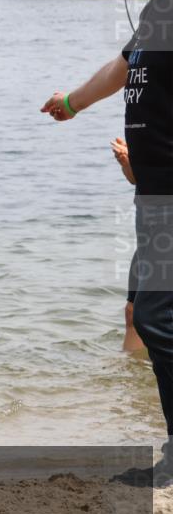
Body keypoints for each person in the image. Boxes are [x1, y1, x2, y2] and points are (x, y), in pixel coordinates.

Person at [41, 0, 173, 484]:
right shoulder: (157, 13)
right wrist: (73, 102)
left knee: (158, 319)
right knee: (146, 314)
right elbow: (122, 68)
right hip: (154, 198)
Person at [111, 137, 146, 353]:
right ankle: (134, 379)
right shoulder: (149, 127)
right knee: (133, 314)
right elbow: (136, 180)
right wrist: (128, 164)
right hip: (148, 240)